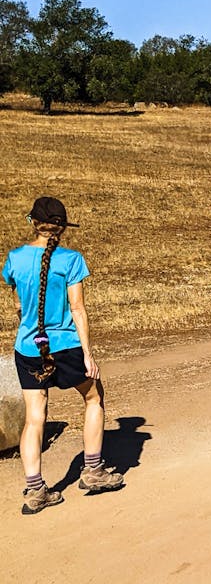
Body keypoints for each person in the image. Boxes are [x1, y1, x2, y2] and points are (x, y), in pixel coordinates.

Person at [2, 197, 123, 515]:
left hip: (28, 348)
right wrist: (88, 354)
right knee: (94, 396)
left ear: (33, 222)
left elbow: (17, 304)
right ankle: (93, 471)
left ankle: (35, 489)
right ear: (62, 227)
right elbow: (78, 308)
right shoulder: (71, 259)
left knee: (34, 418)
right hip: (66, 347)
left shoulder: (14, 258)